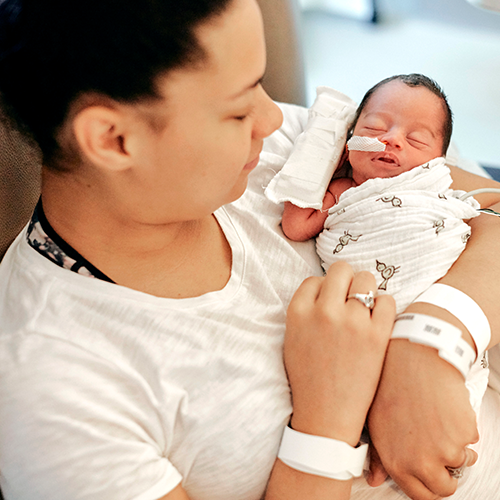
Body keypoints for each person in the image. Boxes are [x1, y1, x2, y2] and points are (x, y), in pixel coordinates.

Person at [1, 2, 500, 500]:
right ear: (113, 139)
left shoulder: (285, 147)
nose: (273, 114)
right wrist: (328, 418)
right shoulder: (53, 396)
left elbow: (491, 206)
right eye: (239, 107)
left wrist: (431, 342)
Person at [274, 74, 489, 418]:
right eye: (374, 129)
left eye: (416, 139)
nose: (392, 141)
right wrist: (320, 150)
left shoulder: (434, 187)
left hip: (440, 302)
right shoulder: (342, 191)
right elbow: (296, 224)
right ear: (349, 143)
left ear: (439, 161)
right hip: (376, 323)